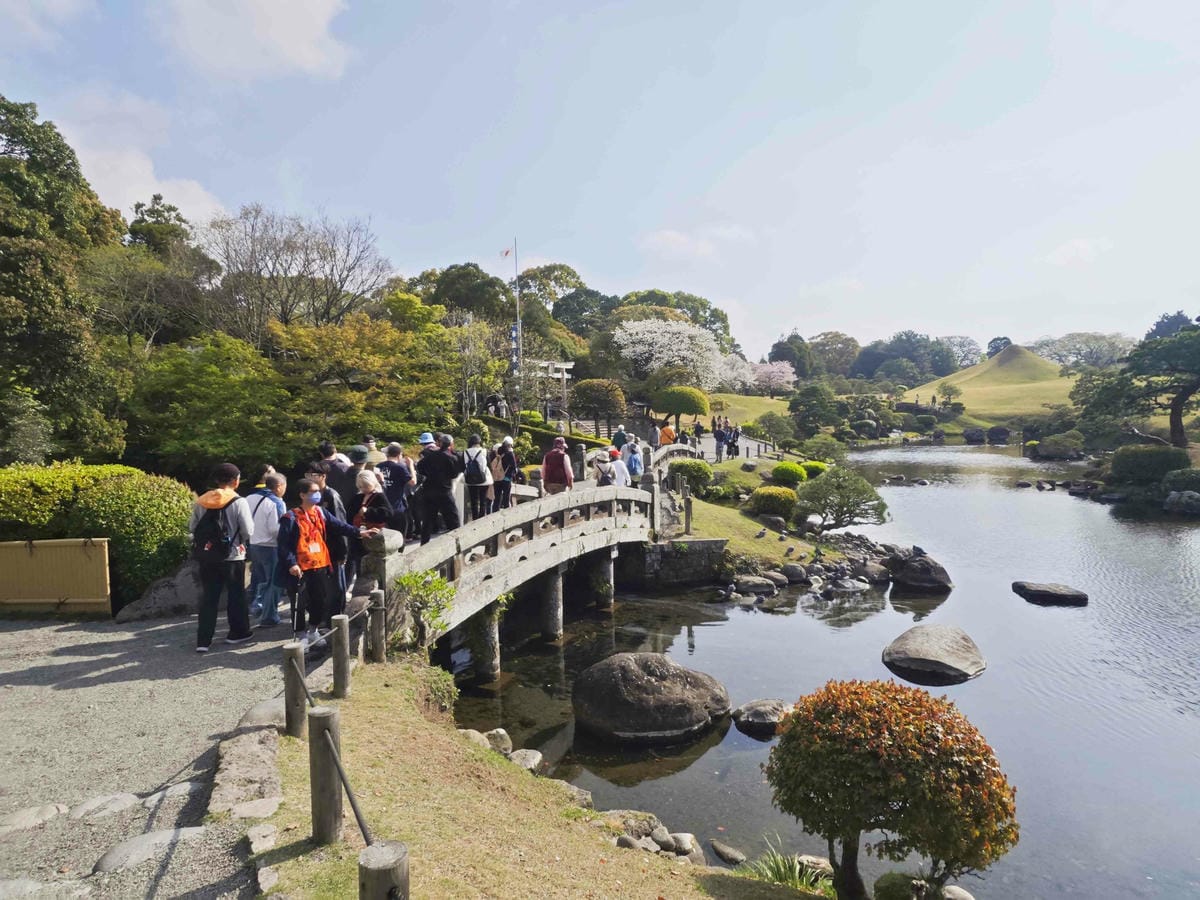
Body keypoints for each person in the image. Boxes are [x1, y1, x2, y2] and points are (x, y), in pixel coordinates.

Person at [278, 478, 376, 650]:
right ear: (302, 495)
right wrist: (291, 563)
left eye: (318, 491)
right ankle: (300, 636)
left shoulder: (321, 512)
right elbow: (284, 545)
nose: (317, 494)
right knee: (299, 602)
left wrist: (361, 532)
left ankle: (313, 629)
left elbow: (340, 526)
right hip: (300, 568)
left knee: (320, 600)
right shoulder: (291, 517)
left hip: (320, 564)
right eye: (313, 492)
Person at [189, 463, 255, 652]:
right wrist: (241, 539)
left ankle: (204, 640)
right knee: (236, 595)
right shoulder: (238, 501)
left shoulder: (202, 500)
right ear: (235, 480)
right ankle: (238, 633)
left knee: (209, 597)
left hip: (208, 556)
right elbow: (248, 530)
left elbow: (193, 527)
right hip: (233, 556)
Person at [303, 460, 351, 598]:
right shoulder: (308, 496)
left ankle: (335, 616)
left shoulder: (331, 496)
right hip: (315, 548)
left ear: (323, 476)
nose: (310, 478)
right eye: (308, 475)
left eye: (313, 475)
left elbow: (340, 524)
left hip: (332, 547)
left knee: (336, 586)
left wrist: (343, 551)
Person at [247, 472, 286, 627]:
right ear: (278, 486)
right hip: (271, 547)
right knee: (274, 582)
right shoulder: (276, 502)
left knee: (262, 580)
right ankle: (269, 616)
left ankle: (257, 605)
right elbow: (275, 529)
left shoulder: (249, 498)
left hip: (253, 544)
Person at [416, 432, 464, 543]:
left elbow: (420, 467)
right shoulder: (451, 458)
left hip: (429, 491)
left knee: (428, 520)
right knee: (453, 519)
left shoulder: (430, 456)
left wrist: (429, 474)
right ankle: (458, 542)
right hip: (444, 491)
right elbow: (454, 474)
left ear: (440, 443)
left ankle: (424, 544)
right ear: (451, 444)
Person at [375, 442, 412, 533]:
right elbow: (412, 482)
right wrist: (411, 466)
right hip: (397, 507)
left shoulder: (379, 466)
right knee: (400, 533)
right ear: (399, 455)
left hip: (383, 506)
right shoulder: (400, 467)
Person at [462, 434, 492, 518]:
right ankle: (481, 519)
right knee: (483, 501)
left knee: (473, 501)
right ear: (479, 442)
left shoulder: (465, 452)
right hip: (483, 480)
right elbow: (489, 465)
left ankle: (474, 519)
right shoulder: (484, 451)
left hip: (470, 480)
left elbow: (463, 466)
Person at [491, 435, 518, 512]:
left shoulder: (498, 451)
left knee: (496, 499)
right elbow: (514, 467)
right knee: (506, 499)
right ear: (511, 444)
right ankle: (506, 518)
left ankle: (494, 515)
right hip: (506, 479)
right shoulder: (510, 454)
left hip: (497, 478)